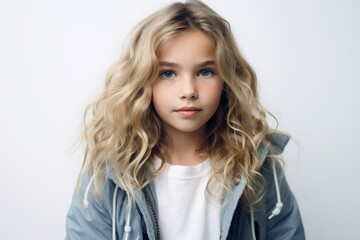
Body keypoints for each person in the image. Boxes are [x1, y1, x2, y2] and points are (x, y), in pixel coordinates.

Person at [65, 0, 305, 239]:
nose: (188, 90)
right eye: (168, 73)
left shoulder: (256, 166)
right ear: (142, 80)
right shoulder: (109, 175)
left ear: (227, 79)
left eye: (205, 72)